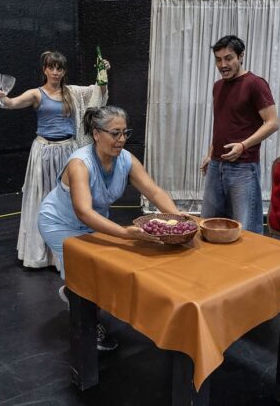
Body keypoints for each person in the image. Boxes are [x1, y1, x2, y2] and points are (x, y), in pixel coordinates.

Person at [37, 105, 183, 350]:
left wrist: (178, 219)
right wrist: (125, 233)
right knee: (86, 269)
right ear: (96, 134)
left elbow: (155, 192)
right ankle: (87, 322)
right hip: (59, 223)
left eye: (125, 133)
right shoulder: (80, 164)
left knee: (103, 269)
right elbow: (84, 211)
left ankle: (76, 294)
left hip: (95, 221)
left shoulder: (126, 160)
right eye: (115, 133)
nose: (122, 139)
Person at [0, 51, 109, 271]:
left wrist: (103, 73)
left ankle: (67, 252)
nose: (55, 72)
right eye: (51, 67)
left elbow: (98, 94)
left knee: (69, 200)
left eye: (59, 68)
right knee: (43, 199)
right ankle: (42, 253)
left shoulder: (72, 92)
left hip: (68, 151)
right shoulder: (36, 94)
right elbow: (11, 103)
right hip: (44, 154)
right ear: (44, 70)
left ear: (63, 71)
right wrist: (0, 97)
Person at [200, 35, 279, 233]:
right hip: (216, 165)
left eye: (228, 58)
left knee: (246, 229)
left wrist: (243, 146)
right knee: (209, 225)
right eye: (218, 60)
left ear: (241, 56)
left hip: (243, 167)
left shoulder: (255, 84)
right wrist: (211, 154)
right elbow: (221, 124)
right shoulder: (218, 87)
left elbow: (273, 122)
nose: (223, 65)